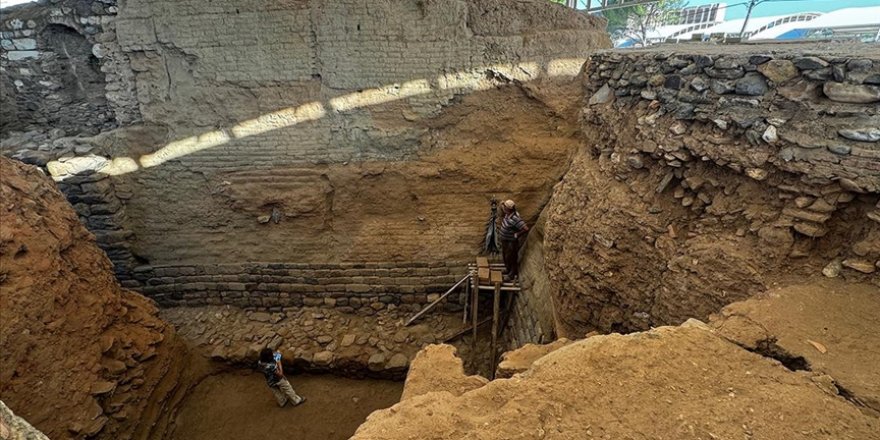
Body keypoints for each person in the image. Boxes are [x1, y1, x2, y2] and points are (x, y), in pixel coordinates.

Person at [499, 199, 529, 281]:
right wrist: (502, 203)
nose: (503, 208)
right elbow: (502, 206)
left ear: (509, 209)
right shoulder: (507, 213)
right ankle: (508, 270)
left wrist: (517, 234)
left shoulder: (515, 218)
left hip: (511, 242)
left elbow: (526, 228)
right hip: (505, 240)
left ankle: (511, 275)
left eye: (505, 207)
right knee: (505, 256)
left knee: (511, 258)